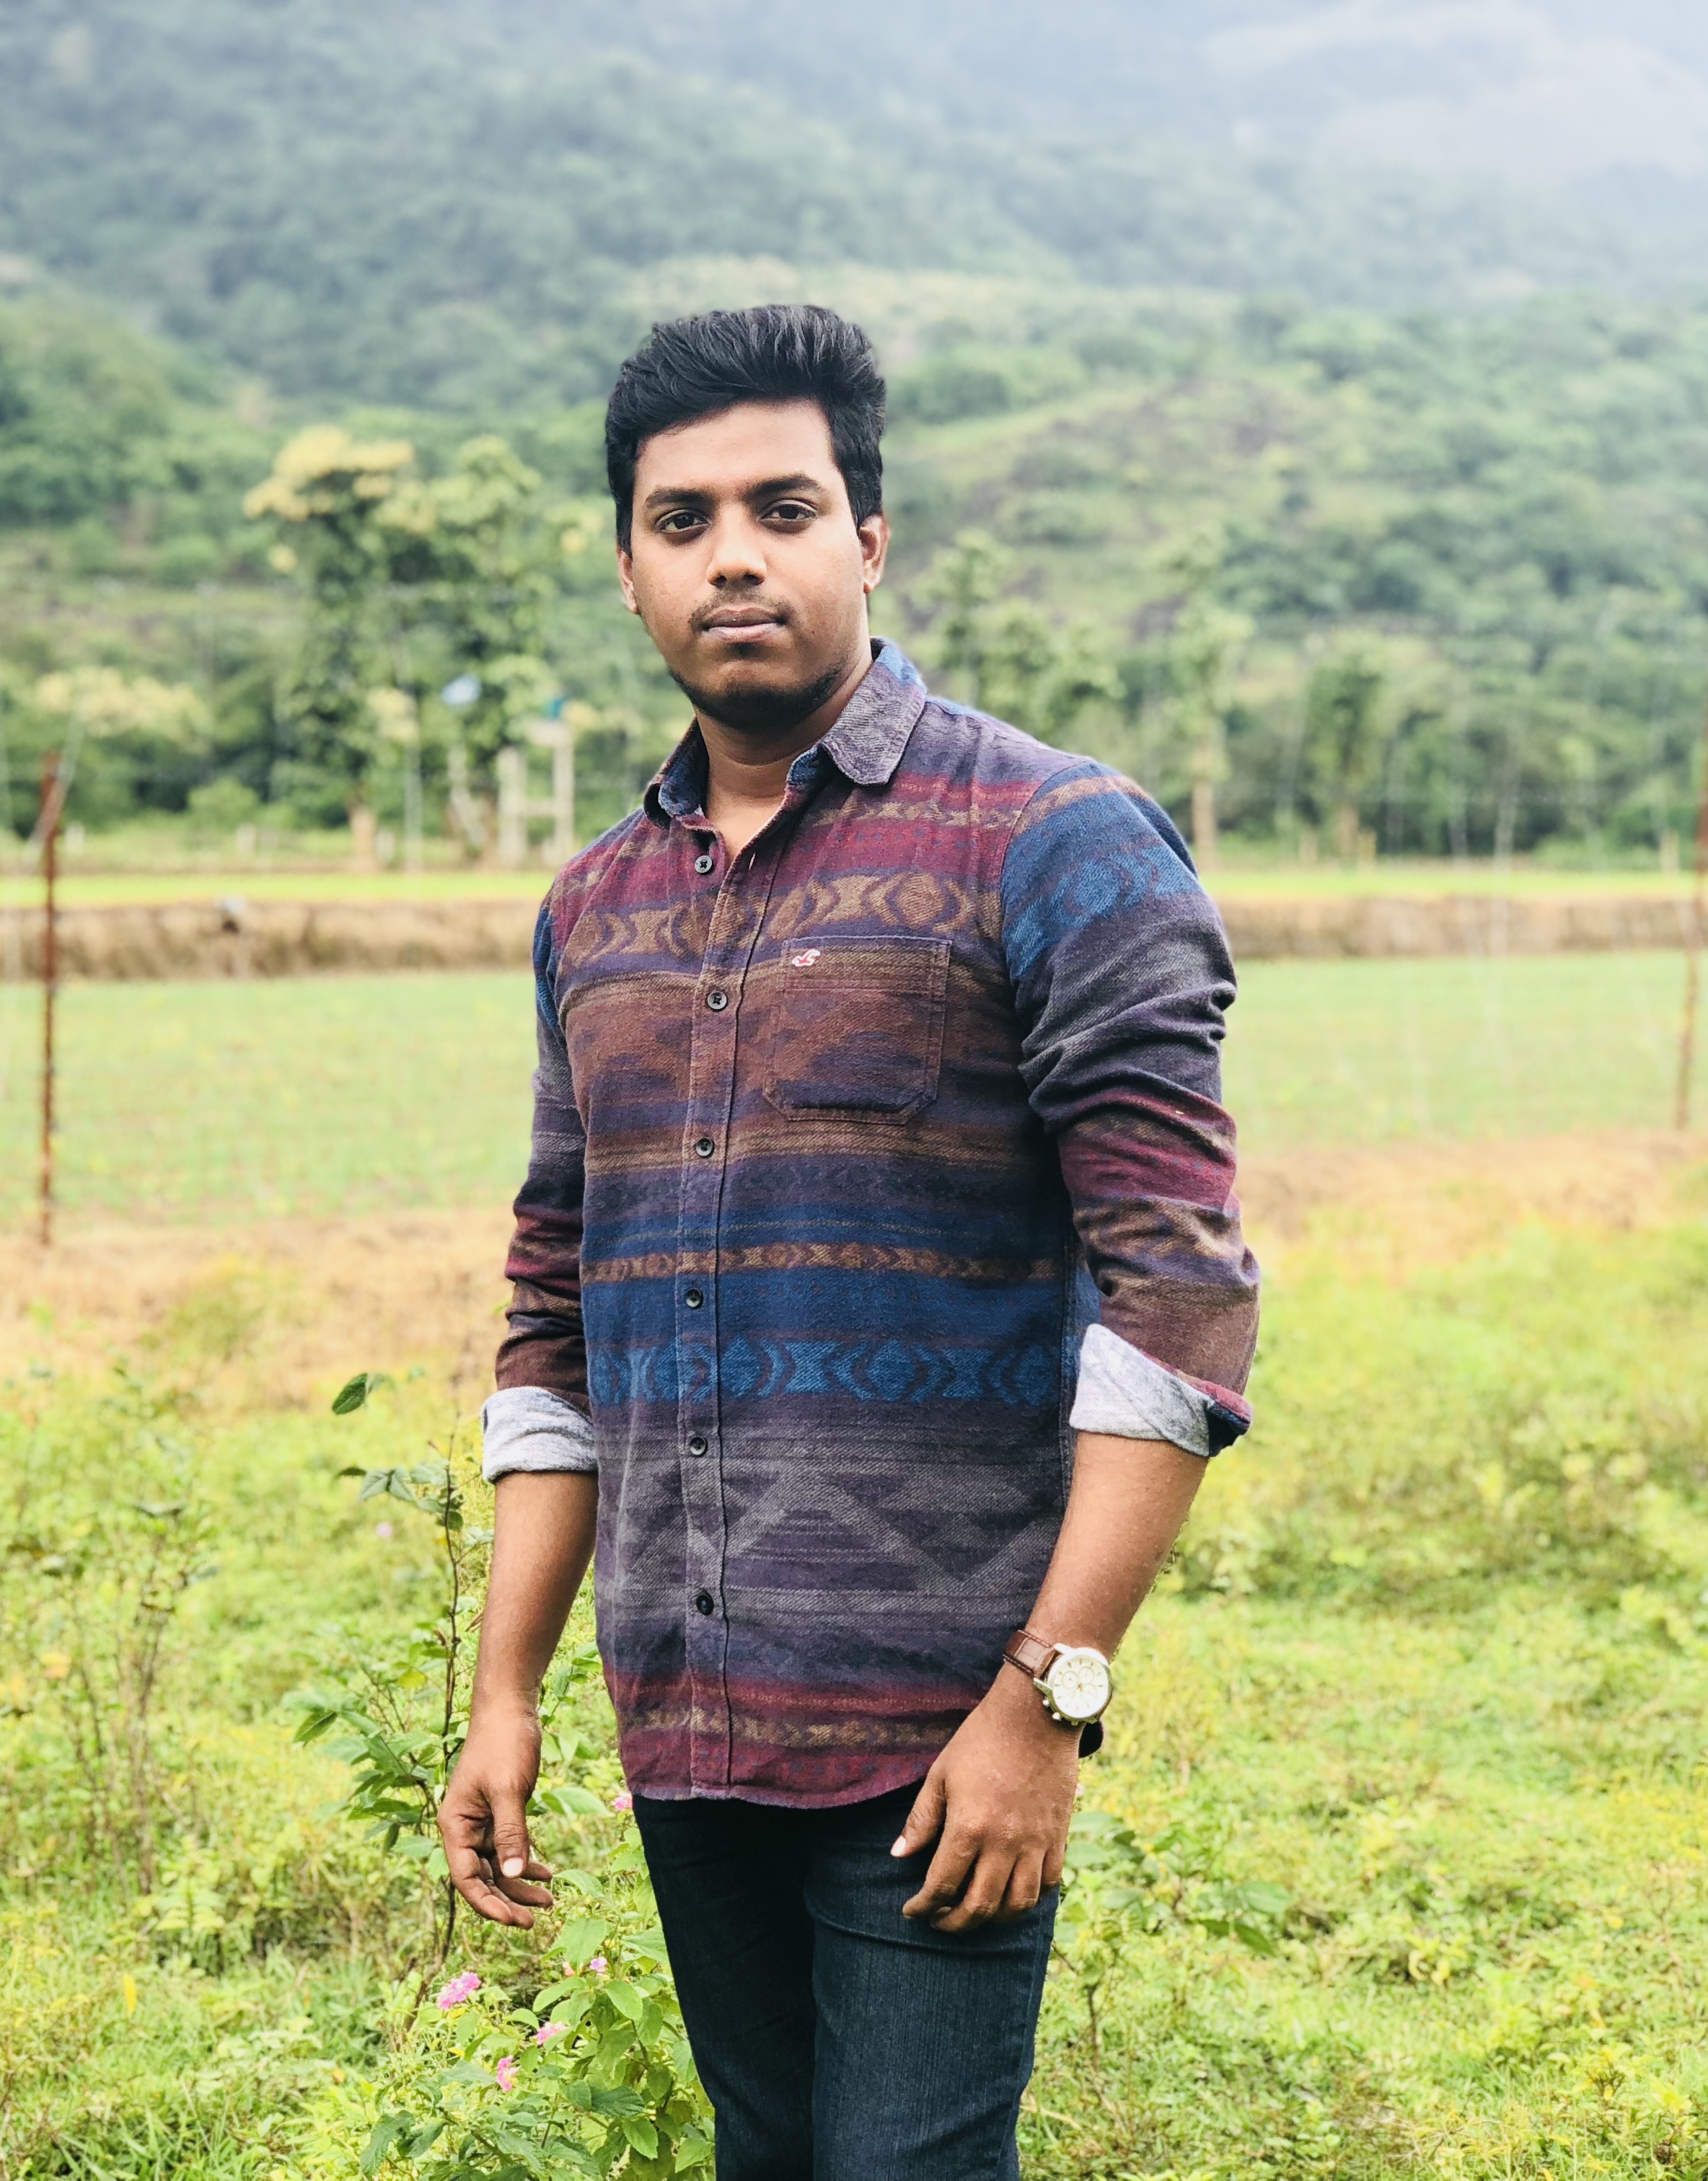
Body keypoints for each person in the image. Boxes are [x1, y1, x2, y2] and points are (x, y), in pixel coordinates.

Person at [436, 301, 1259, 2181]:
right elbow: (554, 1316)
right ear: (629, 568)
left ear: (869, 540)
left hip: (943, 1734)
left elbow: (1183, 1300)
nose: (733, 555)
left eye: (784, 508)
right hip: (685, 1718)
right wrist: (507, 1690)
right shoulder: (594, 908)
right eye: (682, 519)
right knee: (772, 2153)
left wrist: (1049, 1704)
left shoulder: (1052, 839)